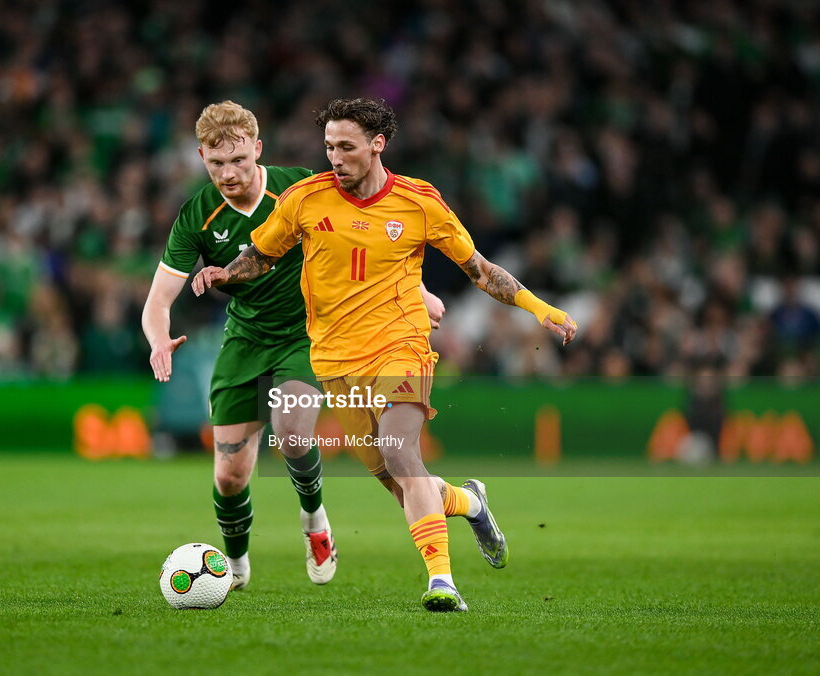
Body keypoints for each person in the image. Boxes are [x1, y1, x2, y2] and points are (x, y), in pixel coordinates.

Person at [193, 98, 578, 612]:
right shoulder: (305, 200)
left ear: (377, 145)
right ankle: (469, 501)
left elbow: (481, 270)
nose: (335, 157)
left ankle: (442, 582)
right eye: (329, 146)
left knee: (401, 449)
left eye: (346, 147)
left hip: (401, 346)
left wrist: (538, 306)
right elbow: (260, 256)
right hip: (333, 363)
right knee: (403, 485)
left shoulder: (418, 202)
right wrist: (224, 273)